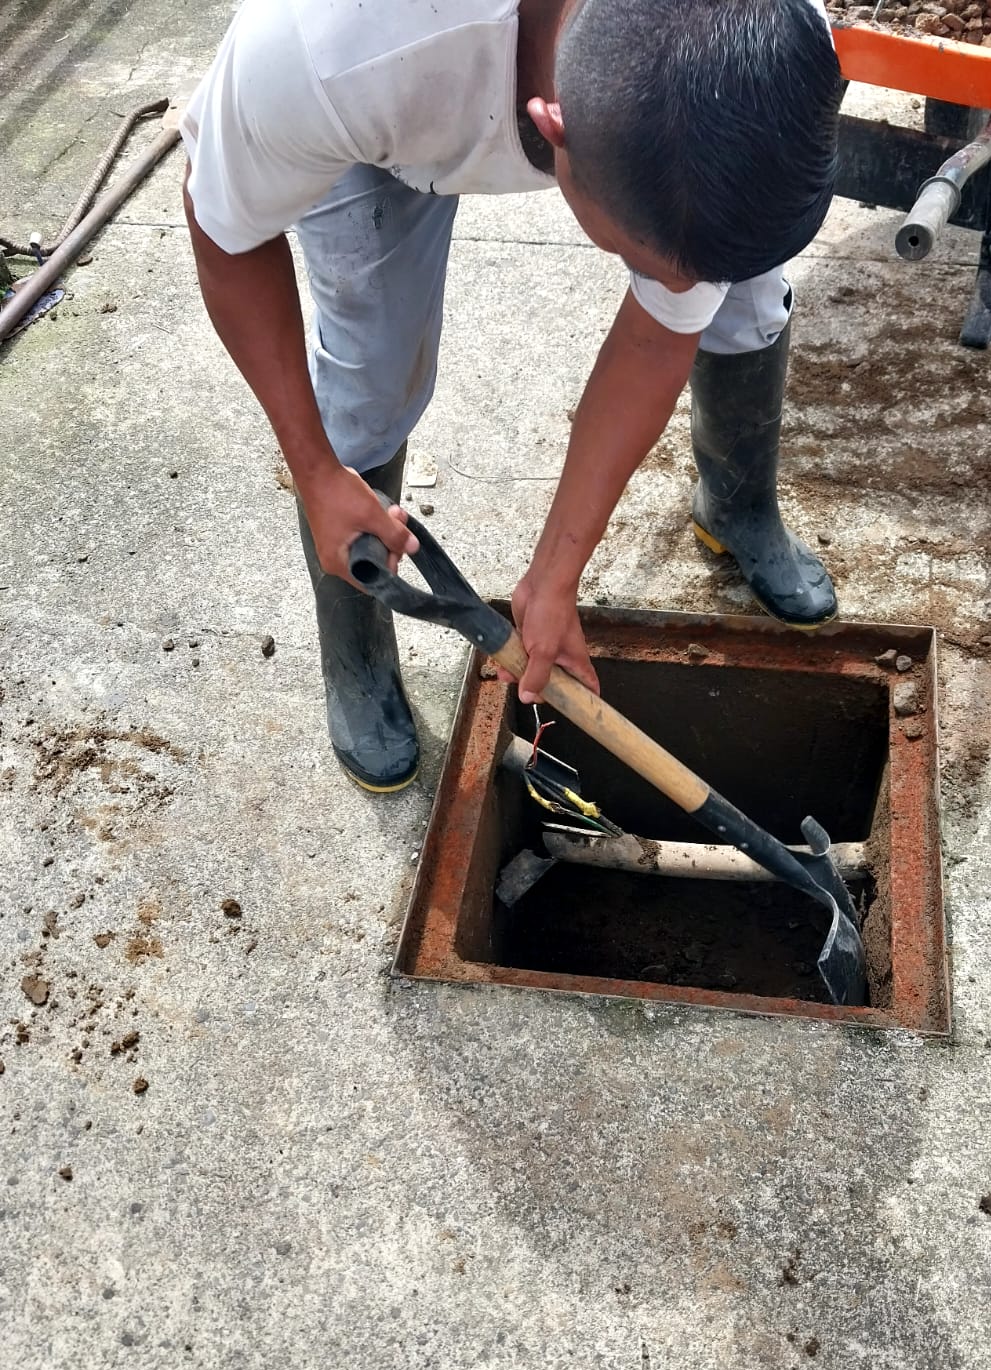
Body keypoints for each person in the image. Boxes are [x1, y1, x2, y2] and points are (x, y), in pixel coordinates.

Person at [183, 0, 843, 792]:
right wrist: (317, 471)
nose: (680, 295)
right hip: (384, 117)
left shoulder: (772, 35)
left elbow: (656, 337)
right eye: (650, 266)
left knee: (744, 296)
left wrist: (554, 577)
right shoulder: (326, 54)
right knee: (371, 378)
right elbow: (224, 229)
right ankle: (355, 654)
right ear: (553, 128)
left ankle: (736, 508)